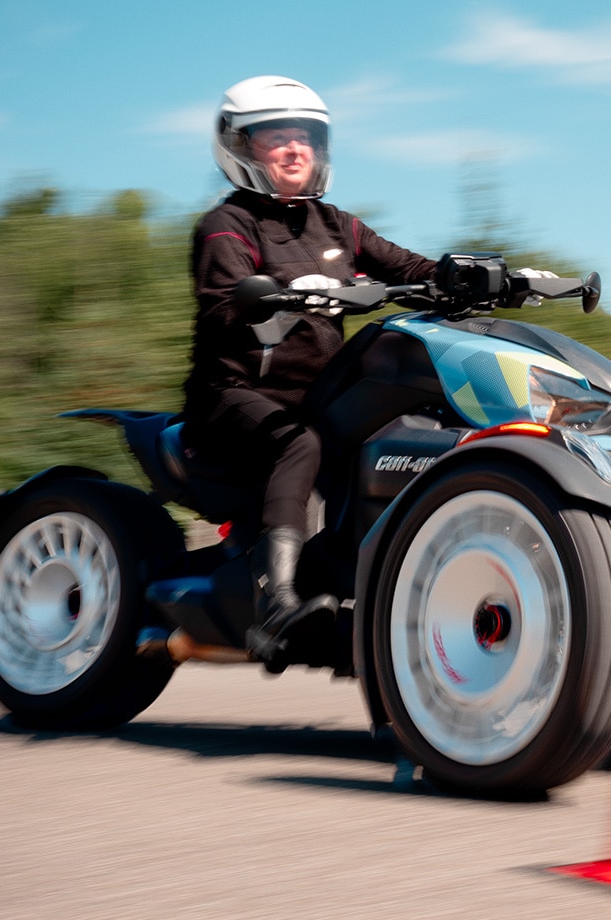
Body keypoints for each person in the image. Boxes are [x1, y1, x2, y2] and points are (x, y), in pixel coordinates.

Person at [182, 75, 437, 667]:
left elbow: (407, 267)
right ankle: (274, 605)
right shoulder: (227, 226)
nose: (296, 150)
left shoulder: (337, 225)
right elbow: (223, 308)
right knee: (300, 445)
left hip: (320, 394)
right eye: (277, 138)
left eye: (305, 137)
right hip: (236, 396)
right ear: (241, 147)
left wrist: (468, 273)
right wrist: (286, 294)